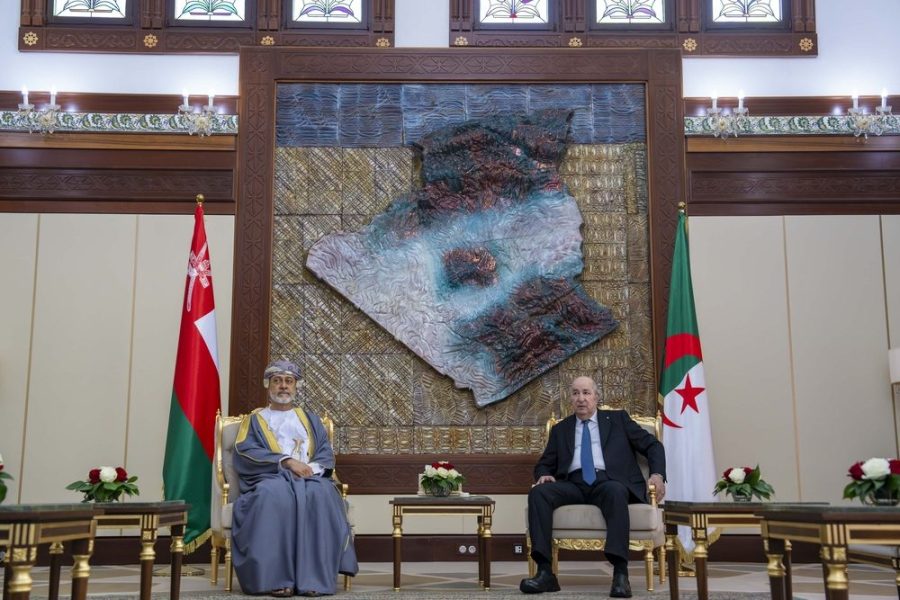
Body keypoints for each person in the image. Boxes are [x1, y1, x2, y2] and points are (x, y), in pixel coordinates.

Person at [520, 376, 666, 598]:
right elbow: (544, 463)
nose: (581, 398)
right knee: (539, 493)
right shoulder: (561, 429)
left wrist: (657, 474)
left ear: (596, 397)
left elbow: (653, 445)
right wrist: (544, 475)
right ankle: (545, 572)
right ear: (570, 398)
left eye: (586, 393)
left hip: (608, 482)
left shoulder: (618, 420)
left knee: (616, 491)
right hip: (573, 484)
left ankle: (620, 573)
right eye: (576, 393)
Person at [231, 360, 358, 597]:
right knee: (272, 496)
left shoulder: (311, 419)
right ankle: (275, 580)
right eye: (277, 381)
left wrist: (309, 468)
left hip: (310, 478)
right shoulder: (255, 420)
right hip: (271, 478)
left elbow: (325, 452)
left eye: (289, 381)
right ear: (267, 385)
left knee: (321, 494)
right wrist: (287, 462)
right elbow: (246, 451)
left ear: (296, 387)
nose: (283, 386)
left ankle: (314, 580)